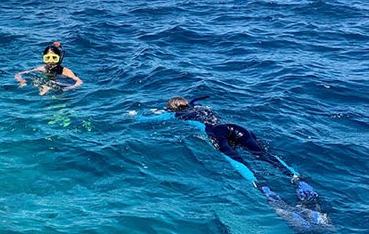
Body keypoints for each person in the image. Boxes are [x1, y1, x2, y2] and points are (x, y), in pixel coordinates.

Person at [136, 96, 328, 228]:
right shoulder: (200, 108)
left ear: (171, 108)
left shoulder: (176, 114)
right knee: (265, 155)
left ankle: (265, 190)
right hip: (236, 128)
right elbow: (193, 103)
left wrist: (134, 115)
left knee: (236, 160)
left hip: (217, 134)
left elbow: (145, 120)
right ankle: (296, 179)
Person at [15, 42, 83, 95]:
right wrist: (22, 81)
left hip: (61, 87)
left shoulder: (65, 71)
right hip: (47, 84)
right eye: (47, 58)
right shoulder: (42, 68)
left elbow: (79, 82)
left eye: (54, 58)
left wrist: (67, 88)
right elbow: (18, 74)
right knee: (41, 90)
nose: (51, 61)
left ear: (59, 58)